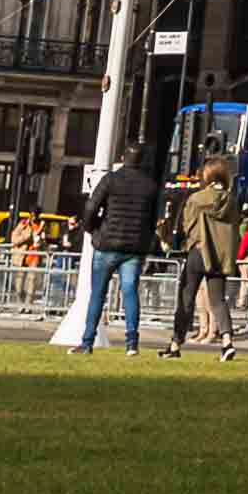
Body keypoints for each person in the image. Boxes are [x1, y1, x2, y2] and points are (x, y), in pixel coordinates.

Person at [87, 149, 165, 353]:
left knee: (98, 294)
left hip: (107, 243)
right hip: (134, 247)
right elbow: (154, 220)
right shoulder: (150, 186)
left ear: (123, 159)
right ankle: (131, 343)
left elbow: (90, 208)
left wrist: (93, 229)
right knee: (130, 291)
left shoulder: (110, 180)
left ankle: (87, 342)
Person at [177, 155, 246, 356]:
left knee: (186, 297)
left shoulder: (197, 199)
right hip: (219, 256)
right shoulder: (231, 201)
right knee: (218, 300)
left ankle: (175, 343)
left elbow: (187, 226)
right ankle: (227, 341)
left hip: (198, 252)